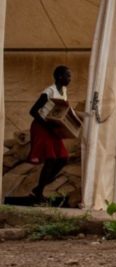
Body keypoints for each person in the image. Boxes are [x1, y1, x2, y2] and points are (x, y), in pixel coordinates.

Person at [27, 65, 71, 201]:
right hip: (41, 126)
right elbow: (33, 111)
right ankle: (39, 193)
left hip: (52, 127)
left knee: (63, 158)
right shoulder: (49, 91)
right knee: (51, 159)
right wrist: (47, 125)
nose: (70, 78)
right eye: (67, 75)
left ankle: (38, 188)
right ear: (59, 76)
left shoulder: (63, 90)